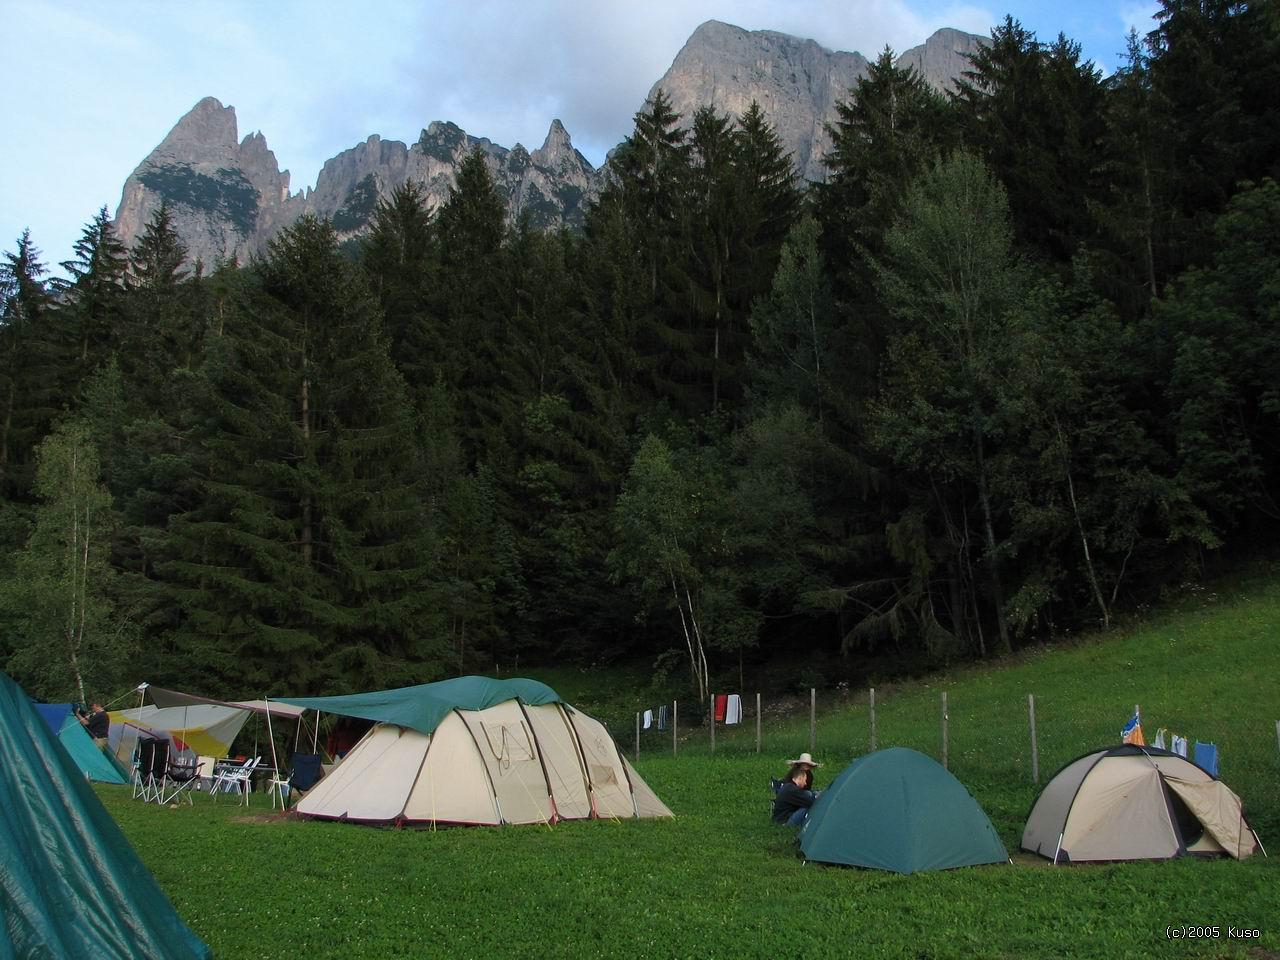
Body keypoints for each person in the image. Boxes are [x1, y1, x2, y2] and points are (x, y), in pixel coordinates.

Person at [771, 752, 821, 827]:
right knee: (808, 806)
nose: (805, 783)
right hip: (784, 819)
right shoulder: (792, 788)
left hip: (794, 801)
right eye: (804, 781)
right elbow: (810, 801)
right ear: (800, 778)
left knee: (812, 795)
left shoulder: (807, 777)